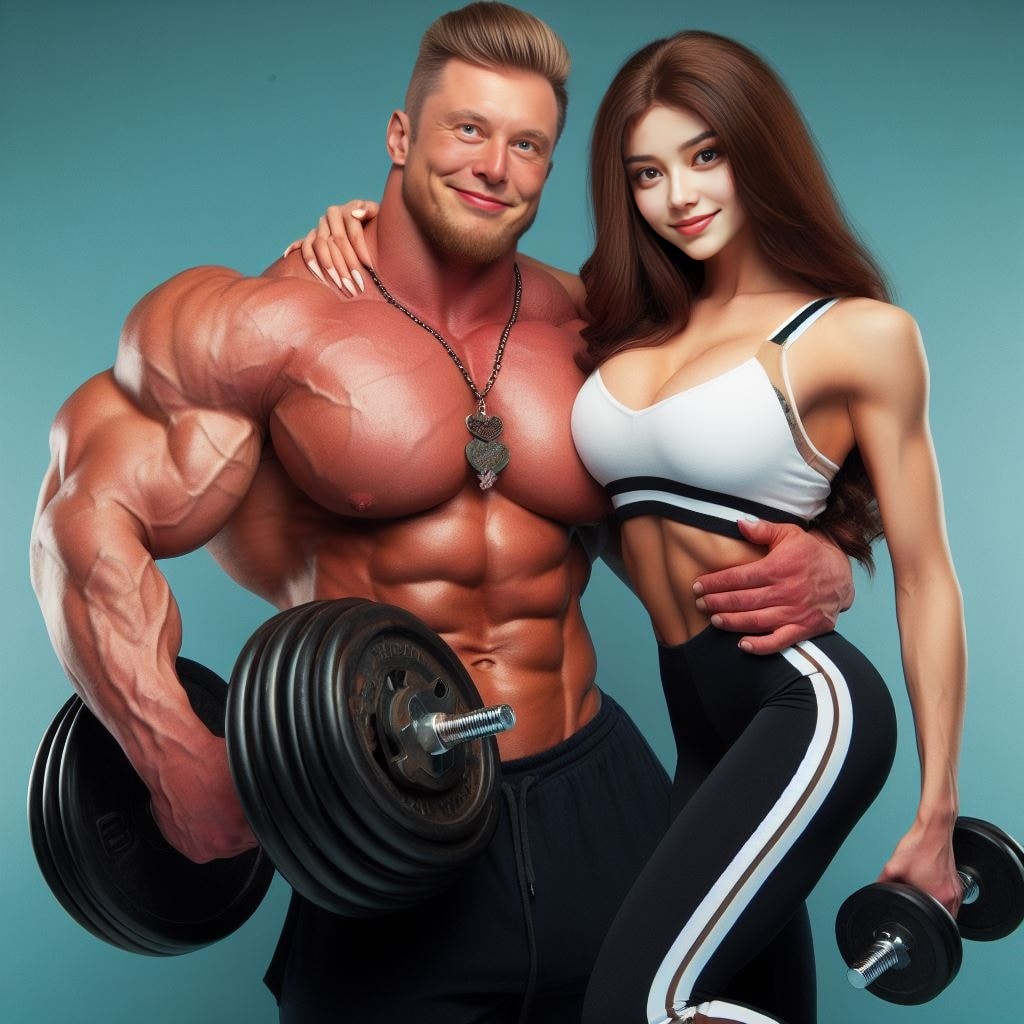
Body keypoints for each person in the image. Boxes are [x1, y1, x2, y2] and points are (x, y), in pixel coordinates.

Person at [30, 6, 855, 1023]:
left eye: (527, 145)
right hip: (383, 834)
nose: (495, 166)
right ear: (400, 135)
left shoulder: (594, 327)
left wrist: (828, 557)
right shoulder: (264, 324)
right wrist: (169, 747)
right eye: (468, 129)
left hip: (605, 803)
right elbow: (82, 519)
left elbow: (730, 480)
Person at [304, 25, 967, 1024]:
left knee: (633, 1002)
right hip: (696, 718)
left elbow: (926, 577)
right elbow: (450, 296)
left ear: (760, 150)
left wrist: (937, 811)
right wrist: (354, 224)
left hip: (804, 705)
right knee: (753, 994)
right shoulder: (614, 316)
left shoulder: (856, 336)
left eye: (706, 155)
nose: (680, 195)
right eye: (647, 171)